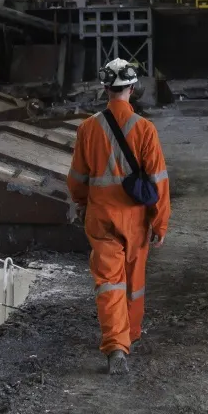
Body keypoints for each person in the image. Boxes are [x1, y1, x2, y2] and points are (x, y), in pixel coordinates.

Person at [66, 58, 171, 375]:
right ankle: (131, 335)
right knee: (133, 282)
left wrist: (82, 204)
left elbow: (76, 179)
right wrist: (159, 221)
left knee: (109, 282)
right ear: (133, 87)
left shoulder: (87, 129)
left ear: (104, 88)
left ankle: (116, 347)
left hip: (101, 218)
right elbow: (159, 182)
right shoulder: (145, 129)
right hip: (135, 219)